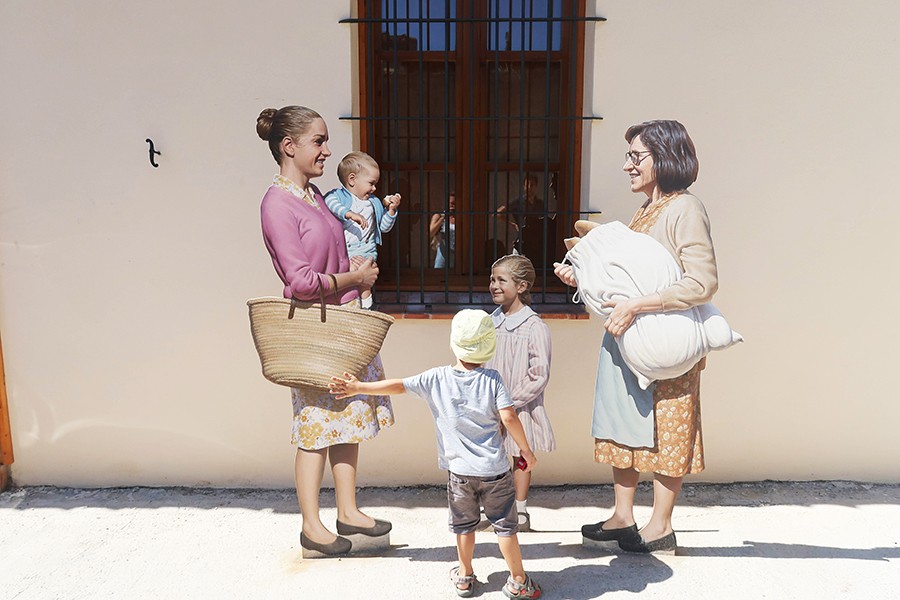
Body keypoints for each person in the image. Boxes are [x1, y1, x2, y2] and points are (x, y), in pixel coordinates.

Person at [553, 120, 717, 554]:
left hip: (667, 340)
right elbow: (629, 277)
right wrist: (582, 276)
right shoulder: (646, 211)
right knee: (622, 422)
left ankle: (660, 525)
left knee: (669, 427)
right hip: (631, 337)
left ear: (663, 158)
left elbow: (702, 282)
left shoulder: (685, 208)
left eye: (635, 156)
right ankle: (623, 516)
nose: (627, 165)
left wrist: (637, 306)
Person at [256, 105, 394, 557]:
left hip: (341, 325)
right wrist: (354, 279)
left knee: (347, 419)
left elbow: (329, 256)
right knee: (315, 428)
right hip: (315, 331)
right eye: (318, 141)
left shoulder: (315, 196)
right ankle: (312, 526)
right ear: (288, 146)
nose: (328, 150)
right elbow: (299, 281)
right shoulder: (277, 203)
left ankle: (349, 511)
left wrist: (351, 267)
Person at [329, 309, 543, 599]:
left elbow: (399, 385)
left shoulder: (436, 378)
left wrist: (357, 387)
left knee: (464, 526)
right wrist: (526, 451)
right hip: (494, 471)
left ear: (454, 343)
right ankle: (518, 580)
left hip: (459, 474)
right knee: (505, 526)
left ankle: (465, 576)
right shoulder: (493, 380)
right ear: (488, 347)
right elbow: (509, 418)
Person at [484, 255, 555, 533]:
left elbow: (539, 373)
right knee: (494, 457)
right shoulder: (490, 322)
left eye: (502, 280)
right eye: (492, 279)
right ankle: (496, 510)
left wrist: (510, 402)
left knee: (520, 456)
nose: (494, 285)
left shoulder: (535, 327)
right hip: (492, 405)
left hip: (519, 406)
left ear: (522, 286)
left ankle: (520, 512)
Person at [323, 151, 401, 309]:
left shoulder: (374, 202)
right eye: (371, 183)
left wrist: (391, 211)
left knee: (366, 285)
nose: (373, 188)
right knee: (348, 282)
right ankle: (349, 308)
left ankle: (366, 310)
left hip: (367, 251)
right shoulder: (339, 196)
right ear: (352, 180)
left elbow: (383, 227)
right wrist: (349, 214)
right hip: (346, 251)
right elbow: (329, 202)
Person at [497, 174, 557, 269]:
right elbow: (499, 213)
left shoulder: (540, 203)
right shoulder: (518, 202)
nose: (529, 187)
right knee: (517, 265)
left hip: (537, 239)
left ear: (536, 186)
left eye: (532, 185)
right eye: (527, 185)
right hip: (522, 238)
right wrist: (513, 224)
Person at [430, 192, 455, 268]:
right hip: (443, 252)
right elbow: (431, 233)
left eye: (454, 203)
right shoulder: (439, 216)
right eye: (450, 203)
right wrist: (442, 218)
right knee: (438, 275)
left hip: (457, 253)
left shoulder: (462, 217)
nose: (452, 206)